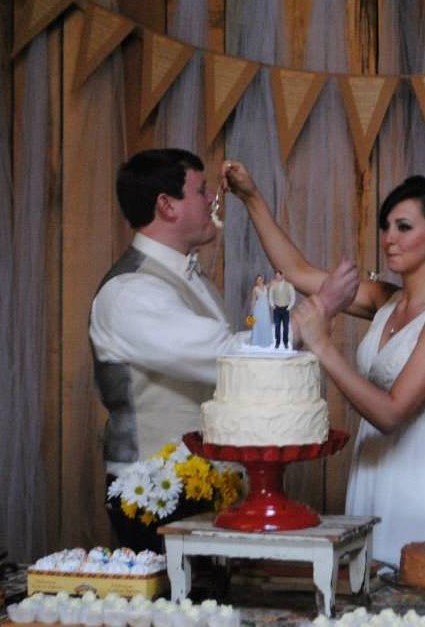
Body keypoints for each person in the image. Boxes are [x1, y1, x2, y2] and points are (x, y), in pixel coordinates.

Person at [89, 148, 357, 547]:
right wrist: (321, 306)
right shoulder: (131, 292)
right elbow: (227, 359)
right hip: (154, 492)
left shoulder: (190, 278)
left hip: (204, 483)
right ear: (167, 206)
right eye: (200, 191)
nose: (213, 200)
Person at [222, 161, 425, 566]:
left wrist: (324, 346)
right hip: (372, 468)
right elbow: (297, 272)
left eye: (404, 227)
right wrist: (251, 198)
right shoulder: (385, 299)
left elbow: (392, 414)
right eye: (386, 225)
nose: (389, 238)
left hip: (420, 480)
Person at [269, 270, 296, 349]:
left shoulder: (289, 285)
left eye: (278, 276)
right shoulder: (273, 286)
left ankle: (285, 342)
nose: (277, 277)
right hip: (277, 309)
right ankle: (277, 342)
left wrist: (289, 307)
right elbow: (270, 296)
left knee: (285, 327)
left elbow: (293, 297)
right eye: (276, 276)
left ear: (282, 276)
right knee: (277, 326)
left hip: (285, 309)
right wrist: (272, 305)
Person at [248, 274, 273, 347]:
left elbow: (272, 283)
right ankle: (257, 341)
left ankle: (266, 341)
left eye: (261, 279)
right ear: (256, 281)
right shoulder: (255, 289)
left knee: (265, 322)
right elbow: (253, 300)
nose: (260, 280)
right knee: (258, 323)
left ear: (263, 279)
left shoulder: (265, 287)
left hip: (265, 308)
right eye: (258, 279)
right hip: (258, 308)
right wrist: (252, 311)